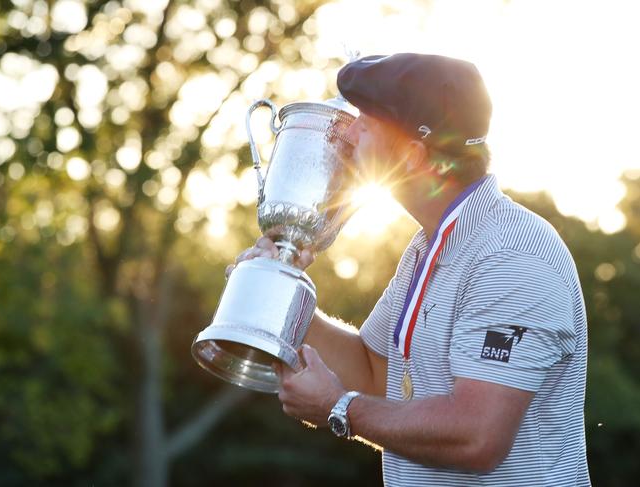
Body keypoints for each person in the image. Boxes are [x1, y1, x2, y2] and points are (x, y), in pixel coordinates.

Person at [230, 53, 590, 486]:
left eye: (366, 122)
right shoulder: (430, 245)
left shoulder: (510, 258)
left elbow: (476, 436)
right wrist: (282, 288)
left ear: (414, 157)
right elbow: (374, 373)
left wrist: (338, 408)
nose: (348, 131)